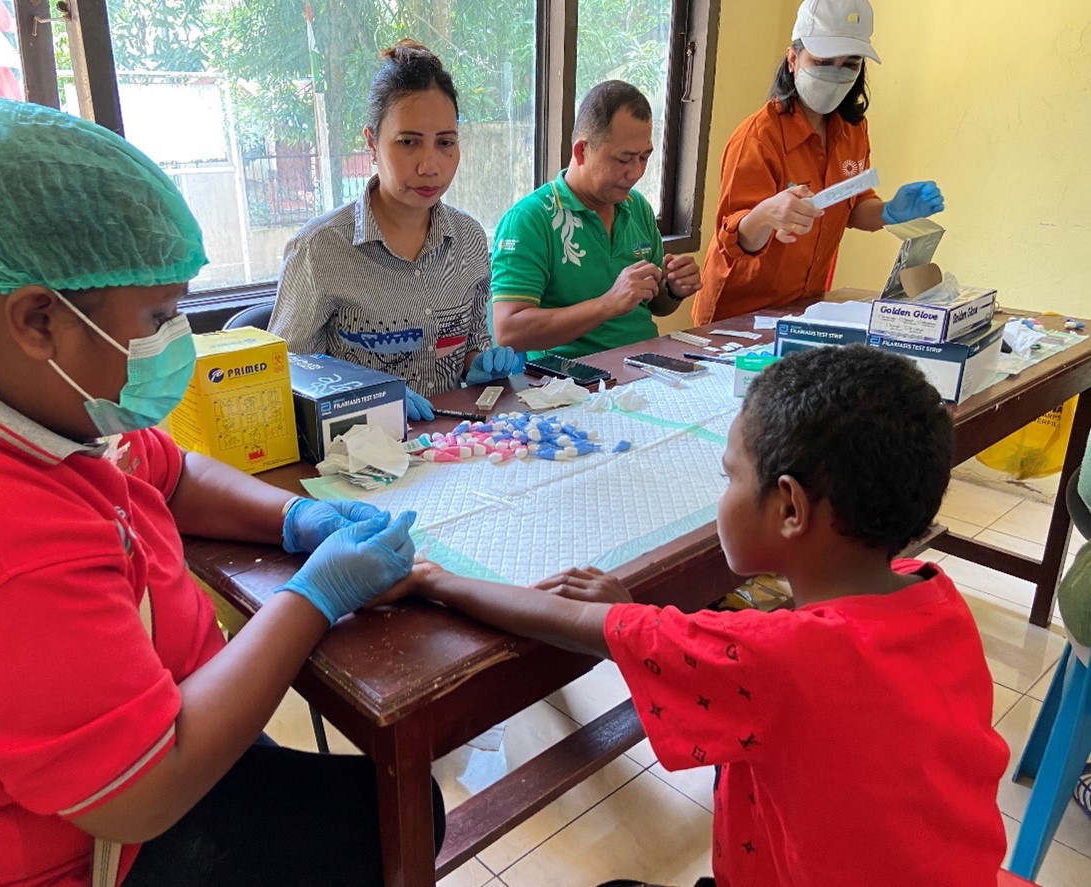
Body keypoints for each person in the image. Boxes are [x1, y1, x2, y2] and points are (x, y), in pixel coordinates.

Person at [0, 85, 443, 887]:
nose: (177, 341)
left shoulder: (33, 400)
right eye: (158, 317)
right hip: (103, 843)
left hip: (170, 710)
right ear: (37, 320)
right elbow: (145, 790)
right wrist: (312, 596)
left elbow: (171, 469)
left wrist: (296, 518)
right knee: (398, 817)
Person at [392, 345, 1010, 886]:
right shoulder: (934, 595)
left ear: (790, 509)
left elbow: (569, 622)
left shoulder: (779, 657)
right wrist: (637, 616)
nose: (722, 495)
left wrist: (435, 580)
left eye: (729, 476)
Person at [269, 40, 522, 422]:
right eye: (408, 142)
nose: (430, 165)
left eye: (445, 142)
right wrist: (365, 395)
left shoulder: (469, 239)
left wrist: (479, 364)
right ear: (372, 144)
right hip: (360, 446)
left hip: (455, 437)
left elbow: (471, 344)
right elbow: (284, 374)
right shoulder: (319, 249)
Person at [692, 0, 945, 325]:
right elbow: (735, 239)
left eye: (850, 64)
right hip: (739, 315)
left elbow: (852, 206)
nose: (835, 74)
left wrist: (889, 211)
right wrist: (765, 215)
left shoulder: (853, 130)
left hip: (805, 306)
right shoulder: (757, 138)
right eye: (823, 62)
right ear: (793, 59)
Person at [490, 80, 702, 361]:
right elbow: (509, 332)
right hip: (571, 376)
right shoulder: (530, 219)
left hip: (647, 365)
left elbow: (655, 305)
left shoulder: (636, 206)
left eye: (644, 157)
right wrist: (607, 304)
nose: (636, 172)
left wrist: (673, 289)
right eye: (624, 159)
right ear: (581, 151)